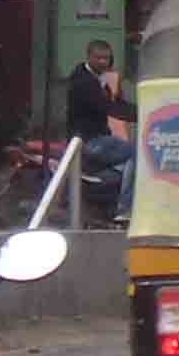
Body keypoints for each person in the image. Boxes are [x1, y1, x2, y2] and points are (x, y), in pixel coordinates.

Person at [57, 37, 134, 227]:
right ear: (89, 57)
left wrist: (145, 110)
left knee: (127, 160)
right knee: (138, 153)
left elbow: (116, 104)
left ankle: (109, 193)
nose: (103, 62)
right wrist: (140, 114)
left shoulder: (98, 79)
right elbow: (108, 107)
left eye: (106, 58)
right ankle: (125, 209)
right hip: (91, 140)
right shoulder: (84, 81)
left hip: (98, 138)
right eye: (98, 58)